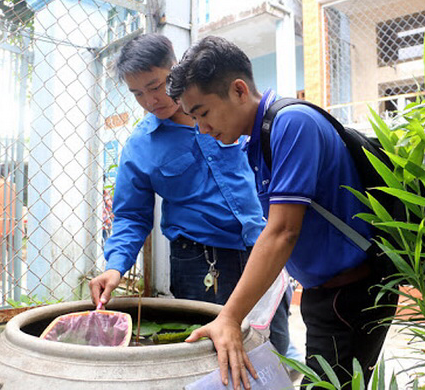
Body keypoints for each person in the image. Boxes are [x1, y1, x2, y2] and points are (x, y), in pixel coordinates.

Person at [166, 36, 398, 390]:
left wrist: (230, 317)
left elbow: (282, 232)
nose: (203, 129)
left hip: (351, 294)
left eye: (204, 113)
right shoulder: (260, 138)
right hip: (326, 293)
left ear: (239, 90)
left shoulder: (292, 123)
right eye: (195, 118)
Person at [88, 33, 290, 355]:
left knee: (273, 350)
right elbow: (131, 216)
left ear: (176, 67)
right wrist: (115, 266)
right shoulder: (140, 146)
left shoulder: (228, 110)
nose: (150, 100)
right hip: (201, 263)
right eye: (137, 93)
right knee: (209, 357)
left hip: (260, 248)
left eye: (155, 86)